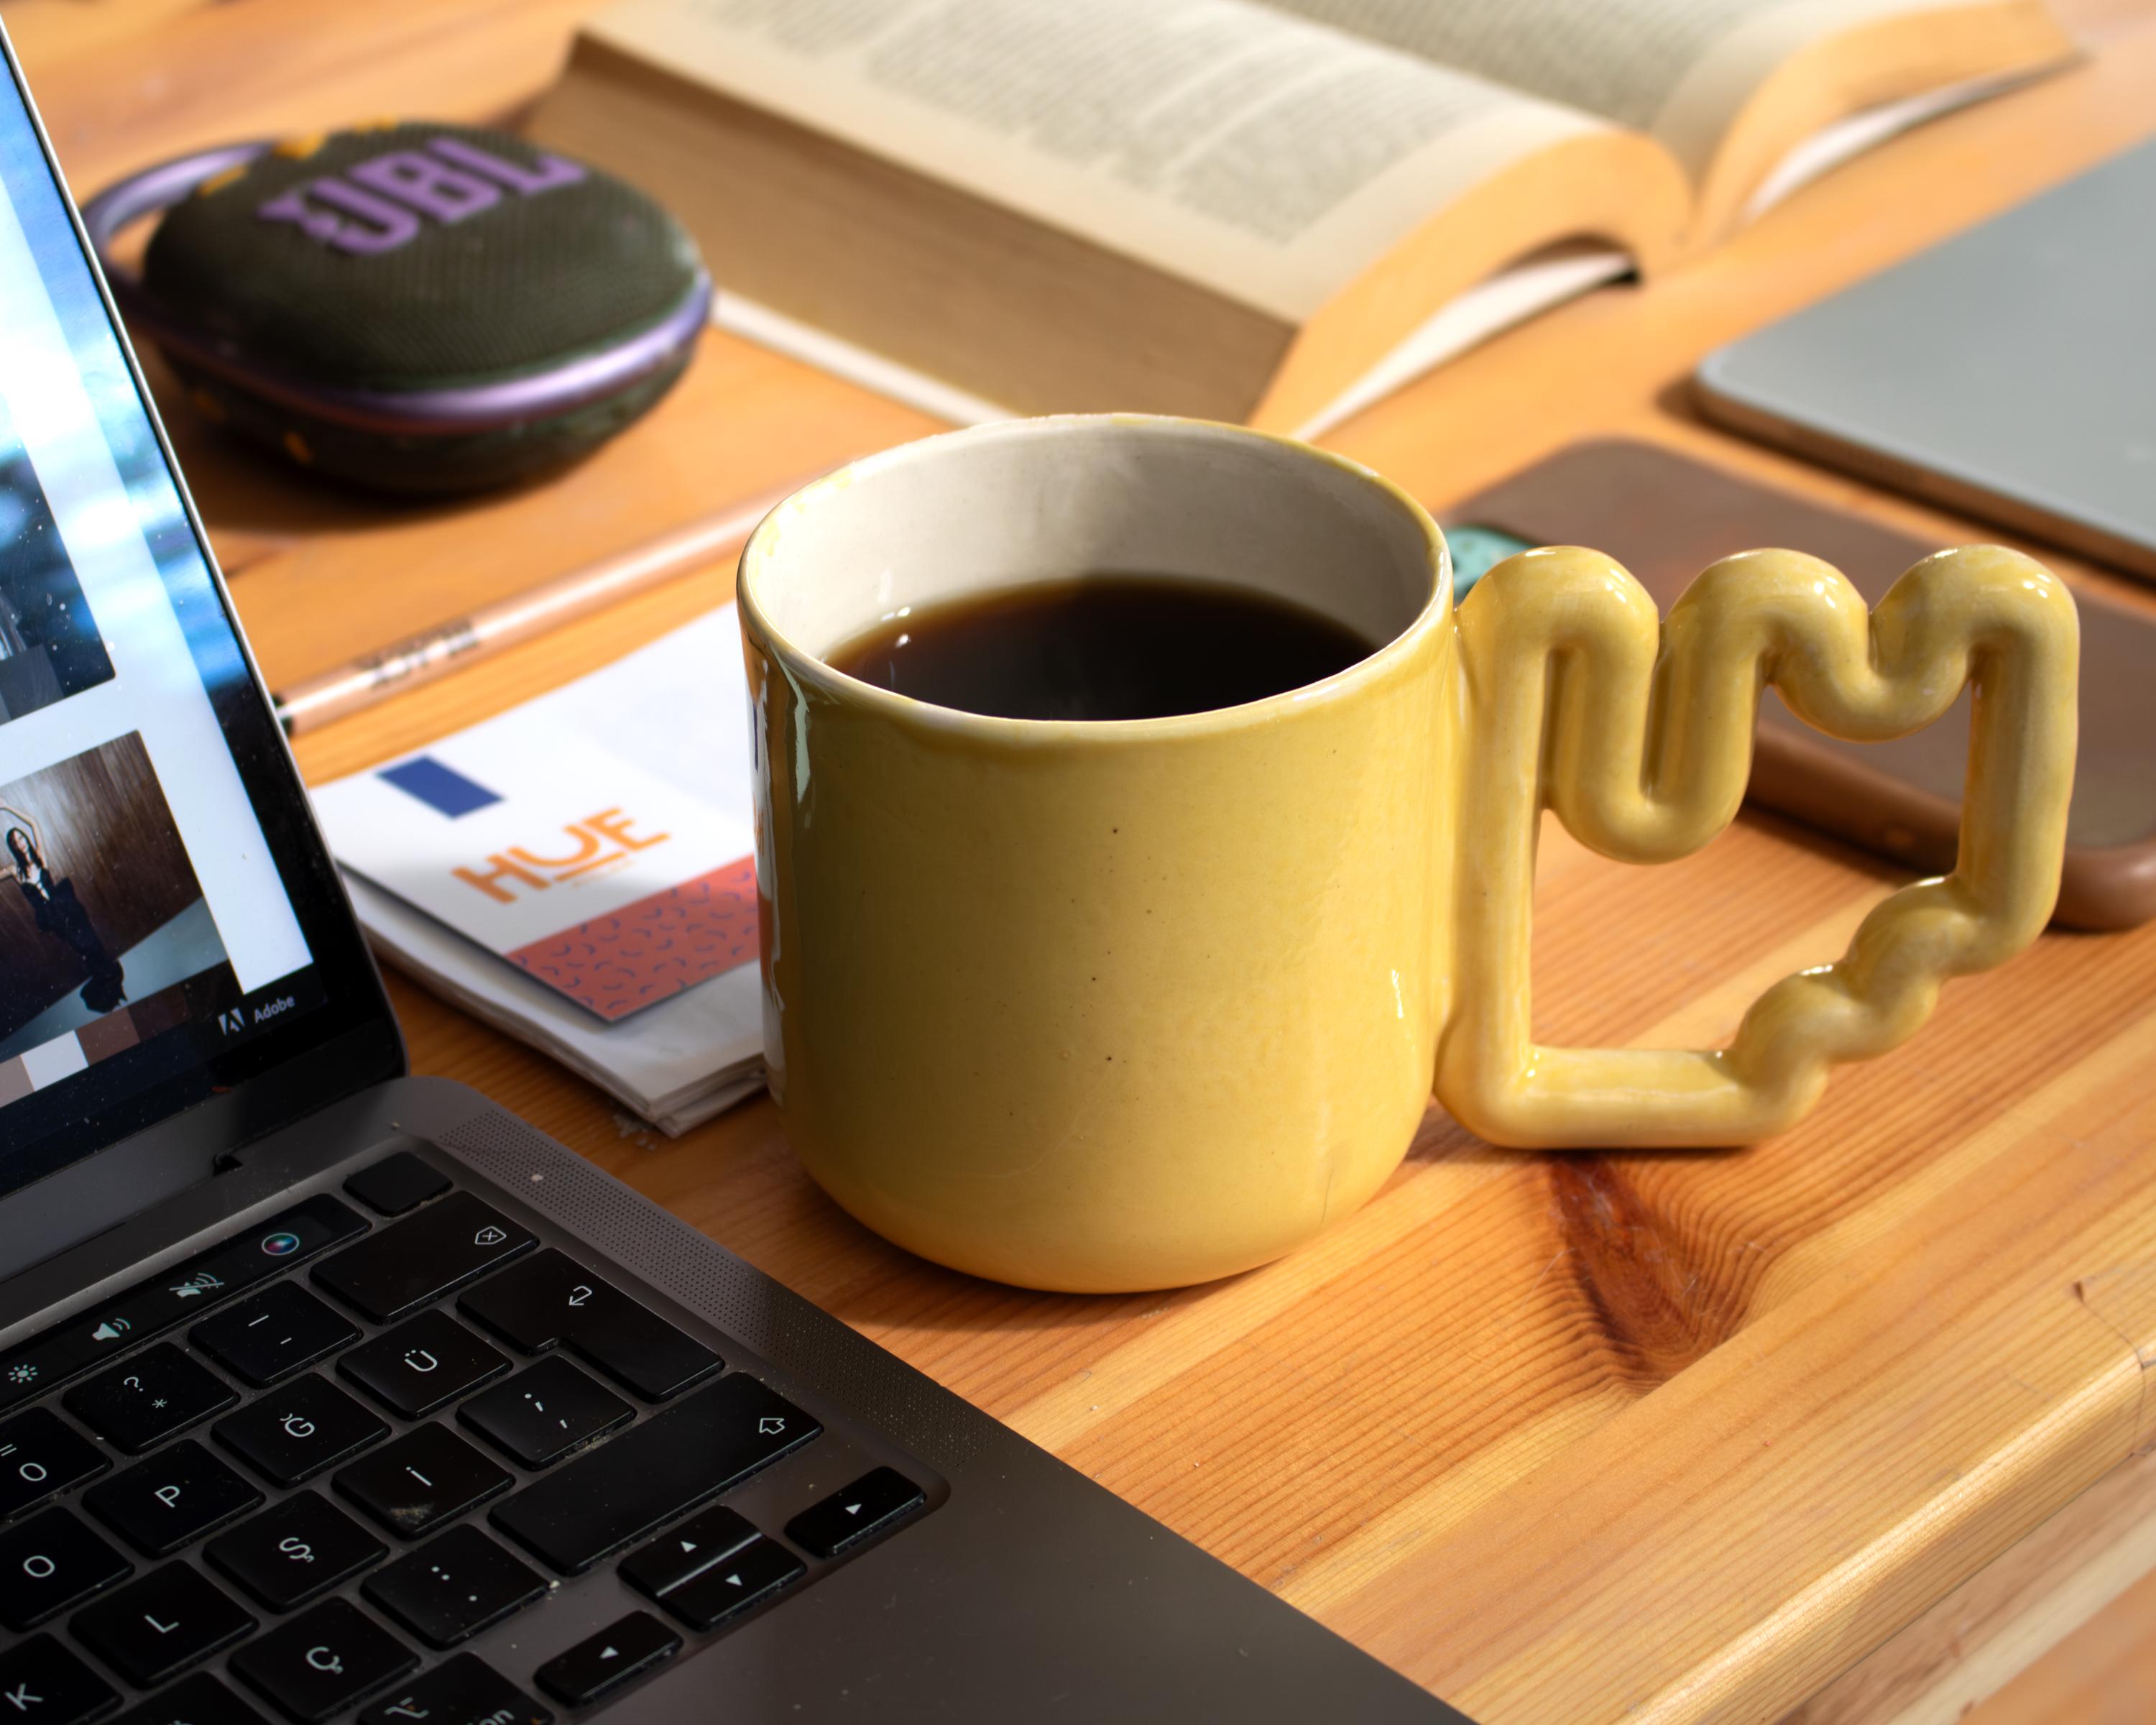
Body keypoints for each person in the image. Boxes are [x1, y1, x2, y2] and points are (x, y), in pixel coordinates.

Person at [6, 821, 125, 1012]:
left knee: (90, 944)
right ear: (13, 848)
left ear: (25, 839)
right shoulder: (17, 871)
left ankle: (109, 978)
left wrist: (7, 806)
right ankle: (107, 980)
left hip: (67, 908)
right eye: (15, 842)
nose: (20, 843)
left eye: (20, 837)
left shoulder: (40, 857)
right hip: (54, 919)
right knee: (84, 949)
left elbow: (35, 823)